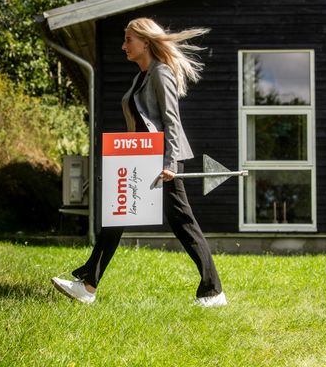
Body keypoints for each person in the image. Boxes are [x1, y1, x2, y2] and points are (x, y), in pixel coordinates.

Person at [51, 17, 226, 307]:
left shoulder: (160, 73)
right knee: (118, 214)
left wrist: (170, 163)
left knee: (182, 223)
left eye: (128, 40)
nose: (123, 46)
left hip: (161, 162)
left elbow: (171, 120)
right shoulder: (142, 76)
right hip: (143, 157)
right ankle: (88, 285)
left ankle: (213, 290)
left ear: (145, 41)